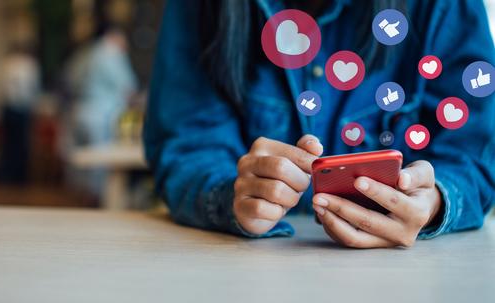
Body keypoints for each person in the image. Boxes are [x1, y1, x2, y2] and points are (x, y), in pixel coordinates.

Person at [143, 0, 495, 248]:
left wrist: (433, 202)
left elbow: (474, 155)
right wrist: (230, 196)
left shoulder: (445, 7)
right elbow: (187, 143)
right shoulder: (203, 7)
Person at [67, 26, 139, 198]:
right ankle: (98, 206)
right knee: (101, 166)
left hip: (81, 110)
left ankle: (83, 205)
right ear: (115, 37)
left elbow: (70, 78)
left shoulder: (86, 54)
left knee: (84, 168)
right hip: (101, 114)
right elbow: (127, 86)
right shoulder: (110, 54)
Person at [0, 45, 40, 184]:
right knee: (21, 144)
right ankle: (19, 177)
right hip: (22, 109)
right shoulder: (29, 65)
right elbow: (33, 89)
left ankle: (7, 176)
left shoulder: (5, 64)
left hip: (8, 109)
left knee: (8, 145)